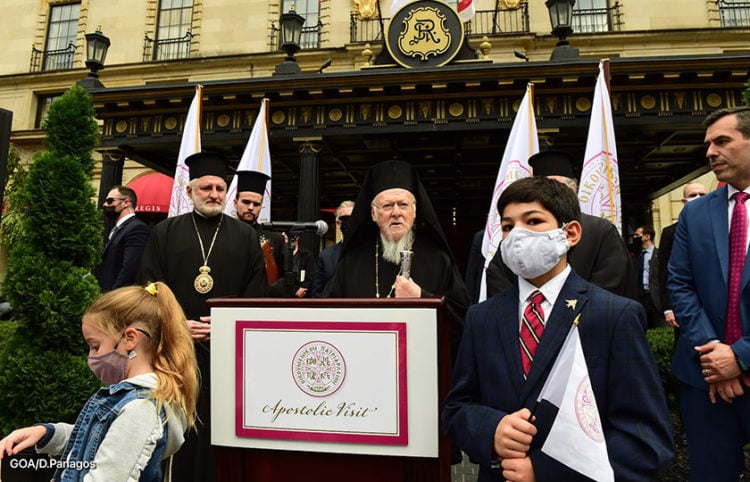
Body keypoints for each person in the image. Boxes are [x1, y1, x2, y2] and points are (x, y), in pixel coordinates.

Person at [442, 176, 674, 482]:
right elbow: (457, 408)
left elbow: (646, 441)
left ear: (571, 232)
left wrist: (546, 471)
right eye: (508, 226)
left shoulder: (615, 315)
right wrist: (491, 431)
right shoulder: (481, 317)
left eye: (533, 221)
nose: (517, 236)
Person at [138, 151, 267, 482]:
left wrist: (224, 326)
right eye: (206, 187)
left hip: (227, 354)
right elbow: (149, 289)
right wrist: (179, 325)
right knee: (175, 429)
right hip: (174, 350)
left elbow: (257, 294)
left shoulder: (246, 236)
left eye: (220, 189)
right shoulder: (165, 233)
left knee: (220, 430)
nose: (214, 195)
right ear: (189, 191)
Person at [0, 282, 198, 481]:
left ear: (130, 339)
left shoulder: (140, 408)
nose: (90, 357)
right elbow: (100, 438)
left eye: (95, 346)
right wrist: (48, 433)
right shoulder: (132, 401)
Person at [669, 105, 750, 481]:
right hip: (705, 381)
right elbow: (680, 286)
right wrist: (715, 358)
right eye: (708, 144)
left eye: (722, 141)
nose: (710, 152)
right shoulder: (694, 214)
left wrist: (740, 356)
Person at [323, 160, 470, 354]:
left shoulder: (438, 259)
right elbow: (326, 316)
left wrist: (422, 298)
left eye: (403, 204)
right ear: (374, 214)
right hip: (362, 361)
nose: (396, 213)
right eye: (387, 206)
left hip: (420, 365)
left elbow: (463, 322)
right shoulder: (353, 261)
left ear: (415, 211)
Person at [486, 150, 637, 301]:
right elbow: (498, 280)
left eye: (558, 187)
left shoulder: (600, 230)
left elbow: (613, 282)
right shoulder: (516, 236)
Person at [658, 182, 708, 331]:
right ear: (684, 201)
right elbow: (664, 271)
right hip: (685, 305)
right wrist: (668, 308)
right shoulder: (670, 233)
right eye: (693, 195)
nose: (698, 198)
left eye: (702, 195)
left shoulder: (724, 226)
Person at [93, 186, 150, 291]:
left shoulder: (137, 228)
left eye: (110, 201)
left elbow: (130, 268)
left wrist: (113, 295)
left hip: (116, 296)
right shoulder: (119, 228)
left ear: (126, 203)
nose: (105, 204)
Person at [233, 170, 285, 284]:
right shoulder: (222, 233)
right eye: (246, 202)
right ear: (235, 202)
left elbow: (282, 277)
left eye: (256, 204)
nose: (251, 207)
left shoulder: (275, 239)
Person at [310, 200, 354, 298]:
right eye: (346, 218)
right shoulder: (326, 256)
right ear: (338, 224)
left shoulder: (370, 253)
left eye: (353, 218)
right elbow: (316, 292)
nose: (351, 222)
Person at [633, 225, 665, 329]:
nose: (634, 237)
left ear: (647, 236)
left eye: (637, 235)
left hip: (655, 298)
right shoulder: (636, 256)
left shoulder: (659, 255)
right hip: (640, 297)